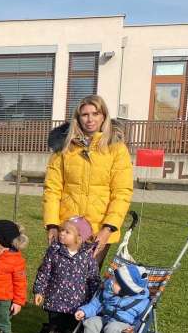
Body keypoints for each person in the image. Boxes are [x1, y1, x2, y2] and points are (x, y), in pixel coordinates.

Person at [43, 94, 133, 268]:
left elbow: (122, 192)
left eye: (95, 113)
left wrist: (108, 228)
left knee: (88, 280)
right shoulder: (64, 148)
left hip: (98, 229)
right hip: (68, 228)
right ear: (78, 118)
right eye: (85, 115)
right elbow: (52, 189)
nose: (90, 119)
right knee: (61, 279)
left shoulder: (116, 149)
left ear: (103, 116)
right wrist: (52, 225)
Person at [33, 216, 101, 333]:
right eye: (61, 230)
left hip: (77, 303)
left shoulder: (87, 256)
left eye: (67, 232)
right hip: (55, 300)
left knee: (73, 330)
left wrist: (95, 300)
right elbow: (44, 272)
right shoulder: (54, 251)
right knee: (55, 328)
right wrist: (39, 291)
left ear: (79, 237)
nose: (61, 234)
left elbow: (93, 279)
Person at [76, 263, 150, 333]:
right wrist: (84, 311)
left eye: (115, 282)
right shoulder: (108, 291)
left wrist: (135, 328)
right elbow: (96, 303)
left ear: (125, 289)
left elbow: (143, 318)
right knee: (92, 321)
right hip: (105, 318)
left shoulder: (141, 302)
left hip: (123, 325)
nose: (111, 282)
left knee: (113, 327)